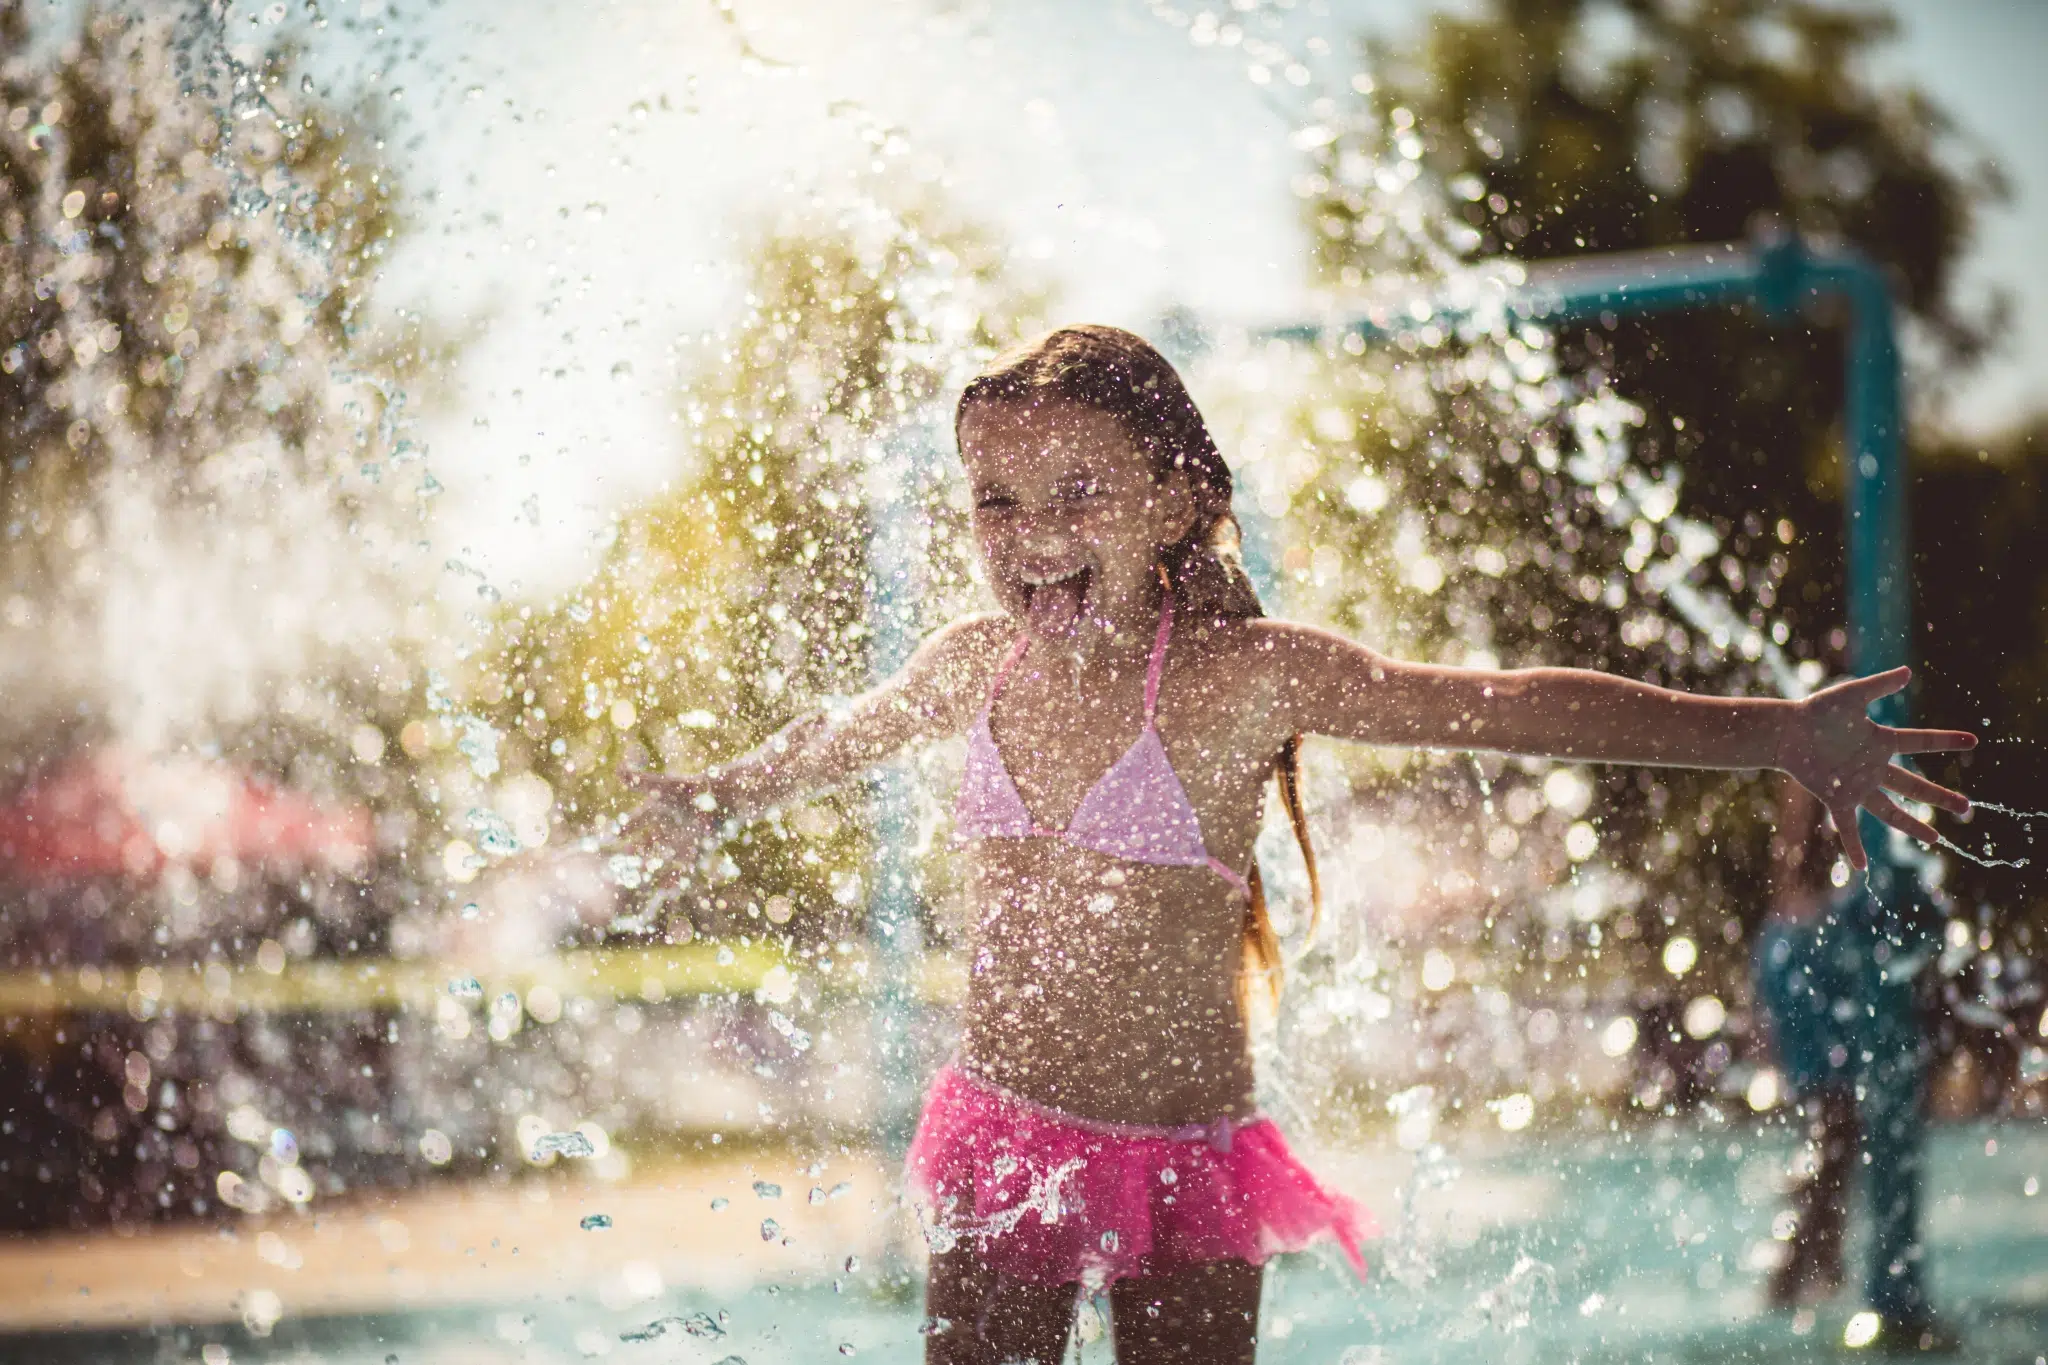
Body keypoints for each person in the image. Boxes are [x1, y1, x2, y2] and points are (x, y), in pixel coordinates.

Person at [623, 325, 1975, 1365]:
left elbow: (1506, 708)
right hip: (1008, 1131)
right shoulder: (969, 667)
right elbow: (821, 742)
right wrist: (709, 798)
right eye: (996, 503)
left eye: (1076, 493)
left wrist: (1771, 735)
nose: (1031, 538)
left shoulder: (1244, 678)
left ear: (1175, 501)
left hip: (1194, 1154)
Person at [1754, 773, 1956, 1352]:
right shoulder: (1839, 910)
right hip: (1828, 1040)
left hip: (1811, 1037)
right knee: (1832, 1159)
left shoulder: (1790, 910)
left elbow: (1770, 996)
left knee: (1828, 1161)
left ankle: (1806, 1275)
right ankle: (1794, 1279)